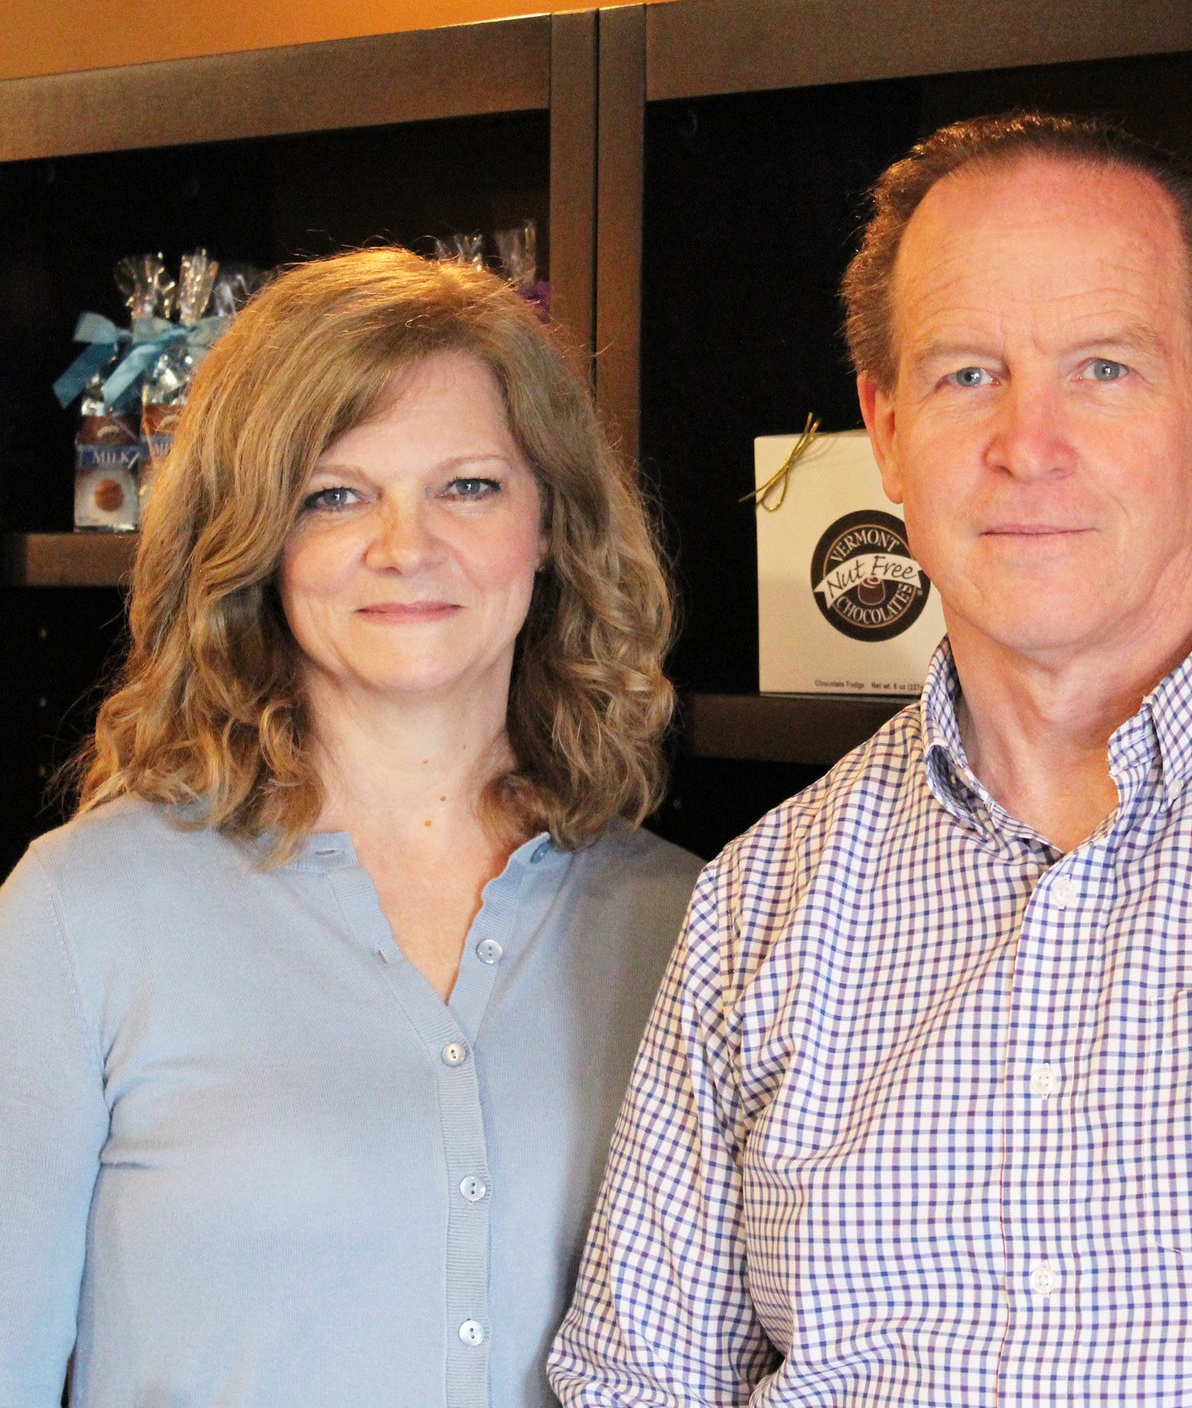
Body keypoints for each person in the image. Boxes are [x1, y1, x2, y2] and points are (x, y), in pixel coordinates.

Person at [549, 112, 1192, 1404]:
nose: (1030, 443)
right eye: (968, 373)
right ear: (888, 430)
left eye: (1103, 368)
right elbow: (634, 1382)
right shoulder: (757, 905)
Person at [0, 246, 700, 1407]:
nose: (403, 545)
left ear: (550, 526)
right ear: (255, 543)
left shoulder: (691, 921)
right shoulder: (81, 916)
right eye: (334, 494)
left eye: (467, 485)